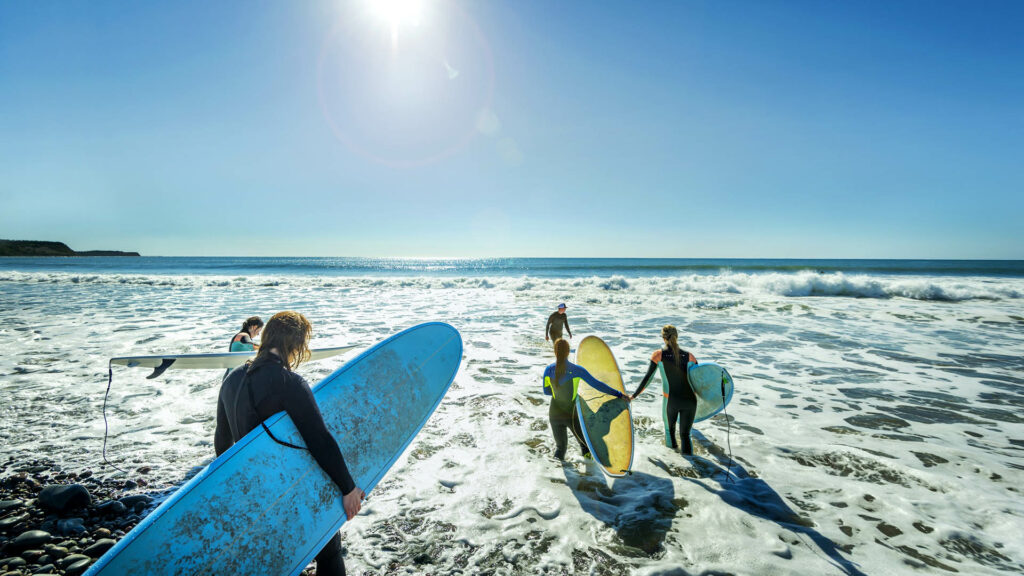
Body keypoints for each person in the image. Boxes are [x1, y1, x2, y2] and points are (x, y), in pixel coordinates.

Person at [215, 311, 363, 576]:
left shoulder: (231, 379)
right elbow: (320, 439)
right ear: (295, 345)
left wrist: (232, 495)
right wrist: (349, 488)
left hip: (252, 493)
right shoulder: (289, 382)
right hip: (286, 490)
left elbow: (221, 441)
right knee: (329, 550)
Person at [542, 338, 629, 460]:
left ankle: (555, 476)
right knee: (586, 447)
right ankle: (589, 475)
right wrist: (619, 394)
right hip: (571, 416)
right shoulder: (577, 370)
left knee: (560, 449)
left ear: (555, 352)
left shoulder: (548, 370)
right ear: (568, 352)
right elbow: (597, 385)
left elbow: (546, 391)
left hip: (554, 414)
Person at [631, 325, 698, 455]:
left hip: (671, 401)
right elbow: (700, 381)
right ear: (677, 337)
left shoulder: (658, 355)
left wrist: (633, 396)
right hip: (691, 401)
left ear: (663, 338)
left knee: (670, 432)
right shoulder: (690, 356)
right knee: (685, 435)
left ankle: (675, 467)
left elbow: (647, 379)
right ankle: (695, 466)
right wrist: (711, 404)